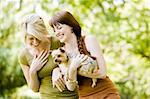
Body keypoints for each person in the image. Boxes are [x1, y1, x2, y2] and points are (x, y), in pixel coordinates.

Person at [49, 11, 120, 99]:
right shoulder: (60, 54)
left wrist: (74, 70)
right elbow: (71, 87)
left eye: (59, 28)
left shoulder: (89, 40)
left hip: (106, 93)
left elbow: (102, 73)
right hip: (85, 96)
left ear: (71, 26)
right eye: (54, 30)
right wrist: (72, 69)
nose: (56, 33)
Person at [18, 14, 79, 99]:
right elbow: (35, 89)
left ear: (43, 32)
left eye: (38, 37)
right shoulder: (24, 55)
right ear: (25, 38)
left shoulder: (58, 42)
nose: (35, 42)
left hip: (71, 96)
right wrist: (33, 71)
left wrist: (57, 69)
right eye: (31, 39)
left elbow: (76, 63)